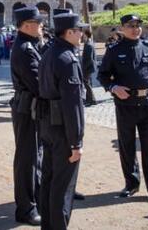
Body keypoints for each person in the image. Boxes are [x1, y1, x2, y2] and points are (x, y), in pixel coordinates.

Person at [97, 14, 148, 205]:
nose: (135, 28)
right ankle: (131, 183)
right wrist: (113, 88)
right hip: (125, 105)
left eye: (138, 25)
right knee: (127, 146)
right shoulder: (114, 50)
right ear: (122, 28)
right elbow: (103, 75)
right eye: (130, 25)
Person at [38, 12, 87, 229]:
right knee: (63, 187)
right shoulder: (68, 59)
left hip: (47, 125)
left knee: (48, 181)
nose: (82, 34)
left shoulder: (49, 53)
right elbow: (73, 104)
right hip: (63, 131)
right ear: (69, 32)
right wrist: (76, 142)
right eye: (79, 30)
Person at [9, 5, 45, 226]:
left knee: (36, 156)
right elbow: (37, 83)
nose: (42, 26)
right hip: (26, 109)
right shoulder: (24, 49)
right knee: (27, 159)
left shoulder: (30, 45)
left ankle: (37, 199)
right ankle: (25, 209)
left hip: (31, 108)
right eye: (39, 23)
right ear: (28, 25)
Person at [81, 28, 97, 106]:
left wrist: (84, 68)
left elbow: (90, 59)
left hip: (88, 67)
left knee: (87, 84)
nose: (82, 35)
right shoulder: (87, 43)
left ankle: (92, 100)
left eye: (83, 34)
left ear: (86, 35)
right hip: (88, 67)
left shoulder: (89, 44)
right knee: (87, 83)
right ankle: (89, 99)